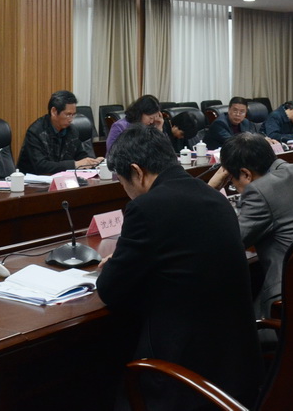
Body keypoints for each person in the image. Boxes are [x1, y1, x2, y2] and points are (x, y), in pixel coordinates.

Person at [97, 125, 263, 409]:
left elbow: (110, 290)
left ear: (136, 172)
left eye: (123, 182)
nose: (126, 192)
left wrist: (118, 263)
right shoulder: (213, 197)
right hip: (236, 369)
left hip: (182, 377)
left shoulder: (147, 208)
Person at [209, 133, 293, 317]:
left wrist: (210, 190)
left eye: (232, 180)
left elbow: (227, 244)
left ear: (246, 174)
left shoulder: (259, 190)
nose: (235, 187)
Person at [16, 90, 102, 174]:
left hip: (62, 179)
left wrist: (92, 162)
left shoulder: (72, 131)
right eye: (68, 114)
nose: (71, 119)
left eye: (73, 115)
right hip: (33, 181)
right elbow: (41, 166)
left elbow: (80, 156)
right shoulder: (36, 132)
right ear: (54, 112)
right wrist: (74, 164)